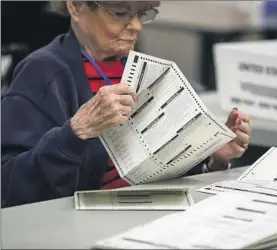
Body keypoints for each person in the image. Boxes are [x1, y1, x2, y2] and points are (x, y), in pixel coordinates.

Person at [1, 0, 252, 208]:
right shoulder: (43, 73)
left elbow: (161, 167)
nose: (136, 26)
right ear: (76, 7)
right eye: (120, 13)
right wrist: (75, 132)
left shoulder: (143, 70)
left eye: (143, 14)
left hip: (148, 213)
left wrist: (212, 158)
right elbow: (8, 185)